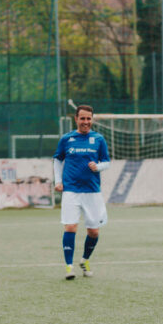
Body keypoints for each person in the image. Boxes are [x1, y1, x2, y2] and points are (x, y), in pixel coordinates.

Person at [53, 104, 110, 280]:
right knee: (70, 226)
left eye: (88, 118)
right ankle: (69, 267)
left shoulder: (98, 139)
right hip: (71, 190)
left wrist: (98, 166)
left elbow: (106, 162)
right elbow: (57, 159)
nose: (85, 122)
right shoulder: (67, 139)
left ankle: (84, 260)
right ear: (76, 119)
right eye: (82, 118)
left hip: (92, 192)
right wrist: (58, 181)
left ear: (92, 120)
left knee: (93, 232)